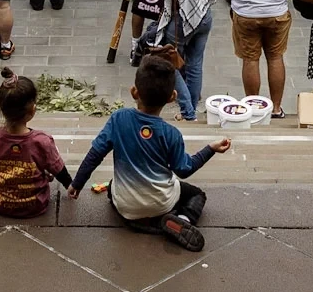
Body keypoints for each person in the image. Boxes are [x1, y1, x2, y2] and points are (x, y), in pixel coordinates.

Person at [68, 55, 233, 252]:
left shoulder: (119, 119)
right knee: (196, 194)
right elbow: (185, 169)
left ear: (134, 92)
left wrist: (76, 184)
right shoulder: (171, 134)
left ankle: (136, 219)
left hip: (126, 207)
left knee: (113, 185)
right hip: (163, 204)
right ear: (172, 97)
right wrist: (210, 149)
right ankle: (183, 219)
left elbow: (95, 154)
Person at [0, 67, 72, 218]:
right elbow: (58, 168)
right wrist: (70, 185)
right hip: (35, 206)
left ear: (1, 107)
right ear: (32, 110)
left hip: (0, 204)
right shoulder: (42, 141)